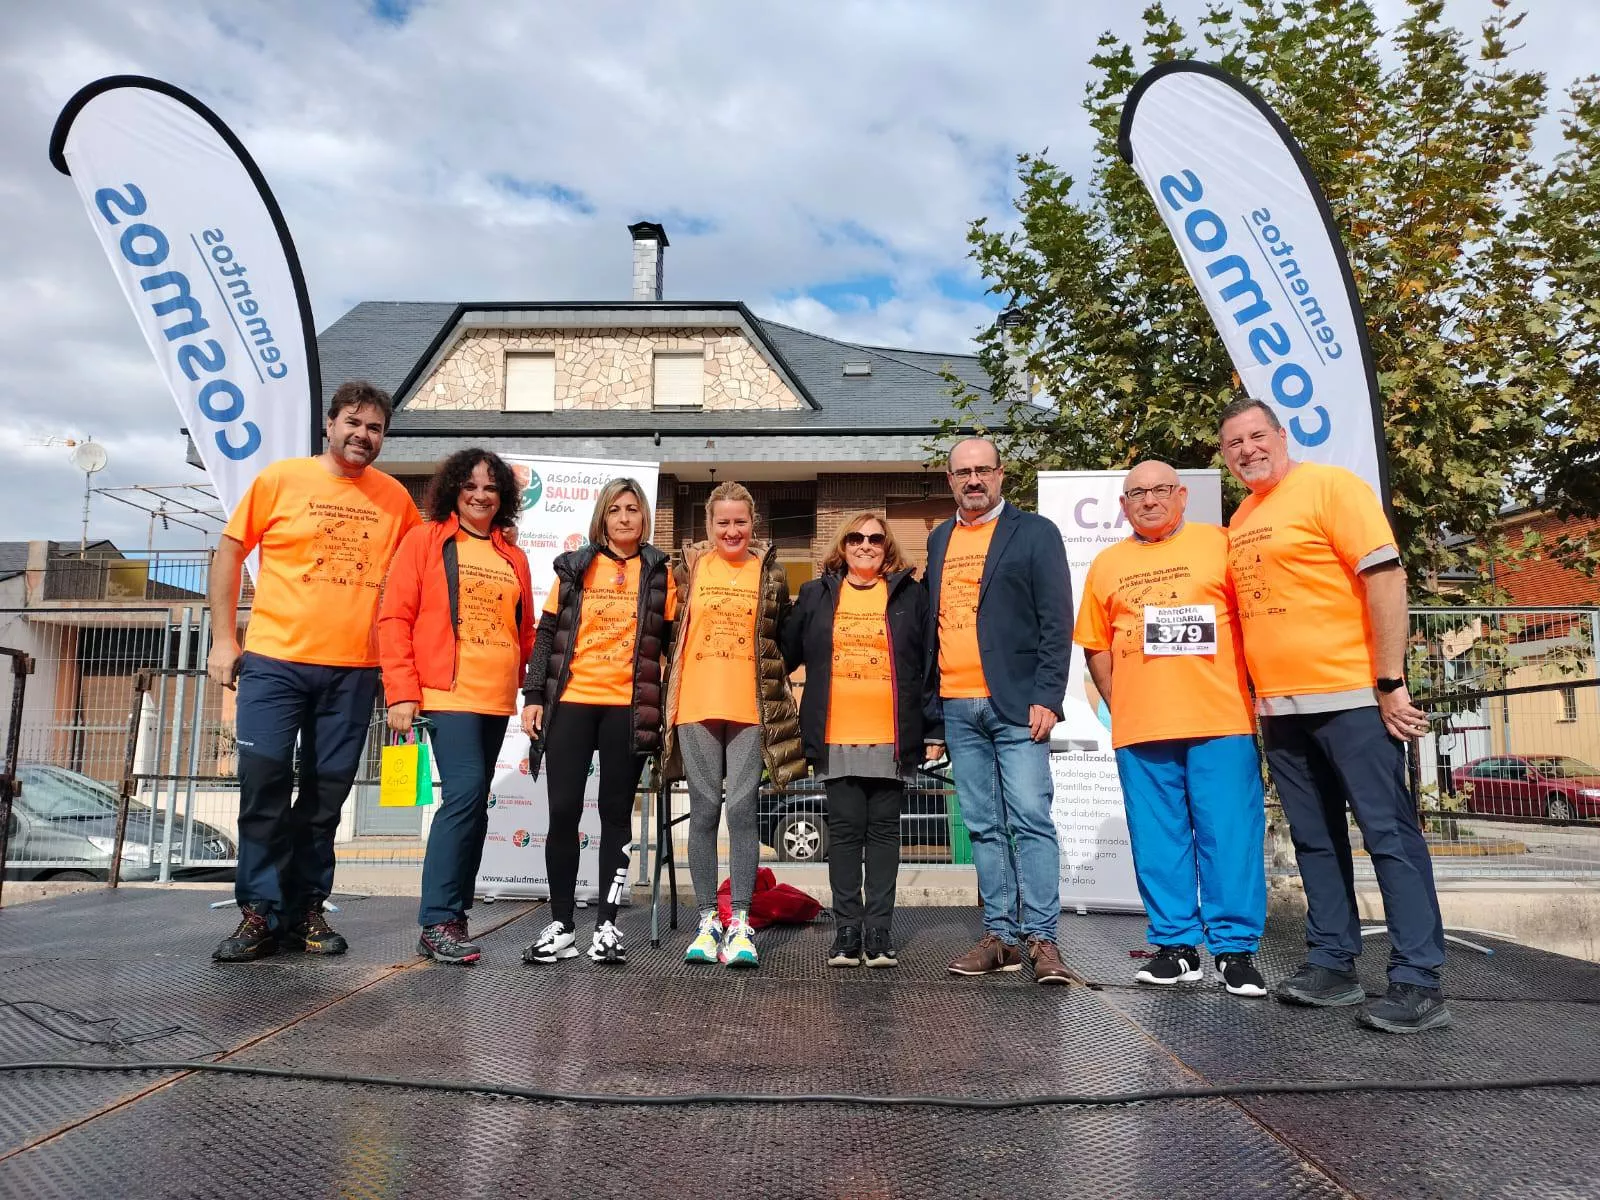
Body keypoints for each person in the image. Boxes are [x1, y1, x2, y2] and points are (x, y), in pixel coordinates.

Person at [1219, 397, 1450, 1034]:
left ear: (1281, 435)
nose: (1247, 450)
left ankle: (1417, 978)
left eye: (1257, 436)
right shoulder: (1242, 516)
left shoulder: (1331, 487)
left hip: (1352, 699)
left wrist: (1389, 682)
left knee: (1389, 838)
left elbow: (1386, 580)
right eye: (1234, 443)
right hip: (1282, 710)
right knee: (1315, 841)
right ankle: (1333, 965)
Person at [207, 381, 422, 962]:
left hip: (353, 671)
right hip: (275, 663)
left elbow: (417, 582)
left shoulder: (396, 500)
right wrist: (224, 639)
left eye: (375, 428)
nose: (363, 435)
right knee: (264, 781)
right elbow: (229, 551)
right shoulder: (281, 480)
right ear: (329, 425)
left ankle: (305, 909)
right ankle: (258, 912)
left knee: (326, 798)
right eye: (353, 422)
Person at [1073, 460, 1268, 997]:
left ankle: (1235, 952)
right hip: (1142, 728)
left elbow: (1255, 624)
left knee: (1229, 837)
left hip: (1221, 719)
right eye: (1137, 493)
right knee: (1159, 841)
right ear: (1123, 504)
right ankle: (1176, 948)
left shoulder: (1221, 544)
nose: (1149, 500)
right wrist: (1123, 702)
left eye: (1160, 490)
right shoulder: (1107, 564)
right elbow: (1095, 645)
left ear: (1182, 496)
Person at [925, 437, 1073, 984]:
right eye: (962, 472)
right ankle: (1001, 938)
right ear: (949, 480)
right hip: (958, 706)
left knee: (1031, 820)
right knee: (984, 826)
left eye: (982, 470)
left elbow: (1058, 621)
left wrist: (1048, 696)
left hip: (1017, 706)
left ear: (1001, 474)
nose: (973, 480)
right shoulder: (940, 539)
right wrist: (933, 717)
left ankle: (1043, 941)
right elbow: (931, 632)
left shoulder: (1035, 533)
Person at [378, 449, 534, 964]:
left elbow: (526, 631)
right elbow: (395, 618)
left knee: (472, 808)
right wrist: (401, 690)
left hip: (494, 700)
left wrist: (530, 692)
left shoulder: (513, 555)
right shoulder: (425, 541)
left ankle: (455, 916)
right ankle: (437, 920)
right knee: (463, 799)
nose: (480, 494)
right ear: (454, 490)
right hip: (447, 694)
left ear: (503, 496)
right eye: (470, 485)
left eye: (491, 487)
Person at [519, 478, 676, 966]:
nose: (625, 517)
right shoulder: (574, 567)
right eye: (615, 510)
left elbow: (671, 640)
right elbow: (547, 635)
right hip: (572, 701)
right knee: (563, 811)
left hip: (627, 710)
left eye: (632, 509)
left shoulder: (660, 572)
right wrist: (533, 696)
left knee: (614, 816)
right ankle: (562, 925)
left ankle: (606, 925)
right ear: (602, 518)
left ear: (643, 516)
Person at [781, 512, 937, 969]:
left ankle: (880, 933)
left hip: (893, 735)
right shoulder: (815, 595)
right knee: (845, 833)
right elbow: (783, 654)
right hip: (836, 735)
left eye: (875, 538)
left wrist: (935, 729)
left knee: (885, 834)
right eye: (856, 537)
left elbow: (929, 666)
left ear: (887, 546)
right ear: (842, 545)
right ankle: (848, 932)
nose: (865, 544)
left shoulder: (910, 595)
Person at [661, 481, 805, 968]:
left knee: (742, 811)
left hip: (749, 709)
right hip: (696, 706)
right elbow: (665, 635)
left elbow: (780, 639)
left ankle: (740, 921)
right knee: (703, 812)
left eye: (740, 521)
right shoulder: (686, 569)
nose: (731, 530)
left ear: (753, 524)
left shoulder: (771, 573)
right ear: (708, 525)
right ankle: (708, 920)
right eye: (722, 522)